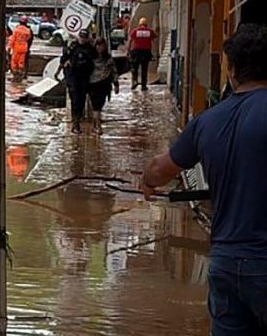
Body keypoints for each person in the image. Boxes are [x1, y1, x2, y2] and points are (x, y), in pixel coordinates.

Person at [140, 24, 267, 336]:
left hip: (225, 262)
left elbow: (159, 170)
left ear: (231, 69)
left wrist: (147, 182)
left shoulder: (206, 122)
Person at [55, 29, 95, 134]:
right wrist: (57, 72)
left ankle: (78, 119)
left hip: (84, 78)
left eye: (84, 37)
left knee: (81, 100)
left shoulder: (90, 48)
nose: (82, 39)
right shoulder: (73, 47)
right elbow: (63, 60)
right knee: (75, 100)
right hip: (73, 76)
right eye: (81, 37)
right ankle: (75, 123)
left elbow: (96, 62)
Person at [87, 38, 119, 135]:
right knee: (96, 105)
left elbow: (114, 71)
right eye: (98, 45)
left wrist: (116, 84)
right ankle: (98, 126)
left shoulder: (108, 58)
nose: (100, 48)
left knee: (100, 105)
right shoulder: (90, 57)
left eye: (102, 46)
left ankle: (94, 124)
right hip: (92, 84)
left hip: (104, 84)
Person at [128, 17, 157, 91]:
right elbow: (154, 42)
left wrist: (129, 50)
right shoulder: (150, 31)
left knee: (135, 68)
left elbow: (130, 41)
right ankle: (143, 86)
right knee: (144, 69)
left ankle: (134, 81)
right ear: (146, 24)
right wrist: (154, 52)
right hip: (146, 52)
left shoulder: (135, 31)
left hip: (136, 51)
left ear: (139, 24)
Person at [8, 16, 34, 82]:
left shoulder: (16, 30)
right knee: (21, 63)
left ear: (20, 22)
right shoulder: (28, 30)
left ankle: (15, 77)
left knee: (14, 62)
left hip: (16, 48)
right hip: (24, 48)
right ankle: (20, 77)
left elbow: (13, 39)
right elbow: (29, 38)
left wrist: (9, 47)